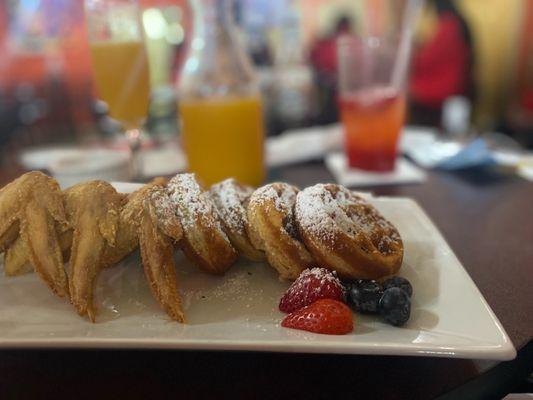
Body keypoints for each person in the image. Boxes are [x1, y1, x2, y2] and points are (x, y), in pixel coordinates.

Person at [409, 0, 475, 127]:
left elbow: (425, 61)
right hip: (452, 91)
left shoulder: (449, 25)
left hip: (441, 95)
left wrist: (410, 51)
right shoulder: (457, 23)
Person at [309, 15, 352, 125]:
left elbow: (311, 57)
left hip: (330, 87)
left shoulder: (325, 42)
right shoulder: (340, 42)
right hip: (331, 88)